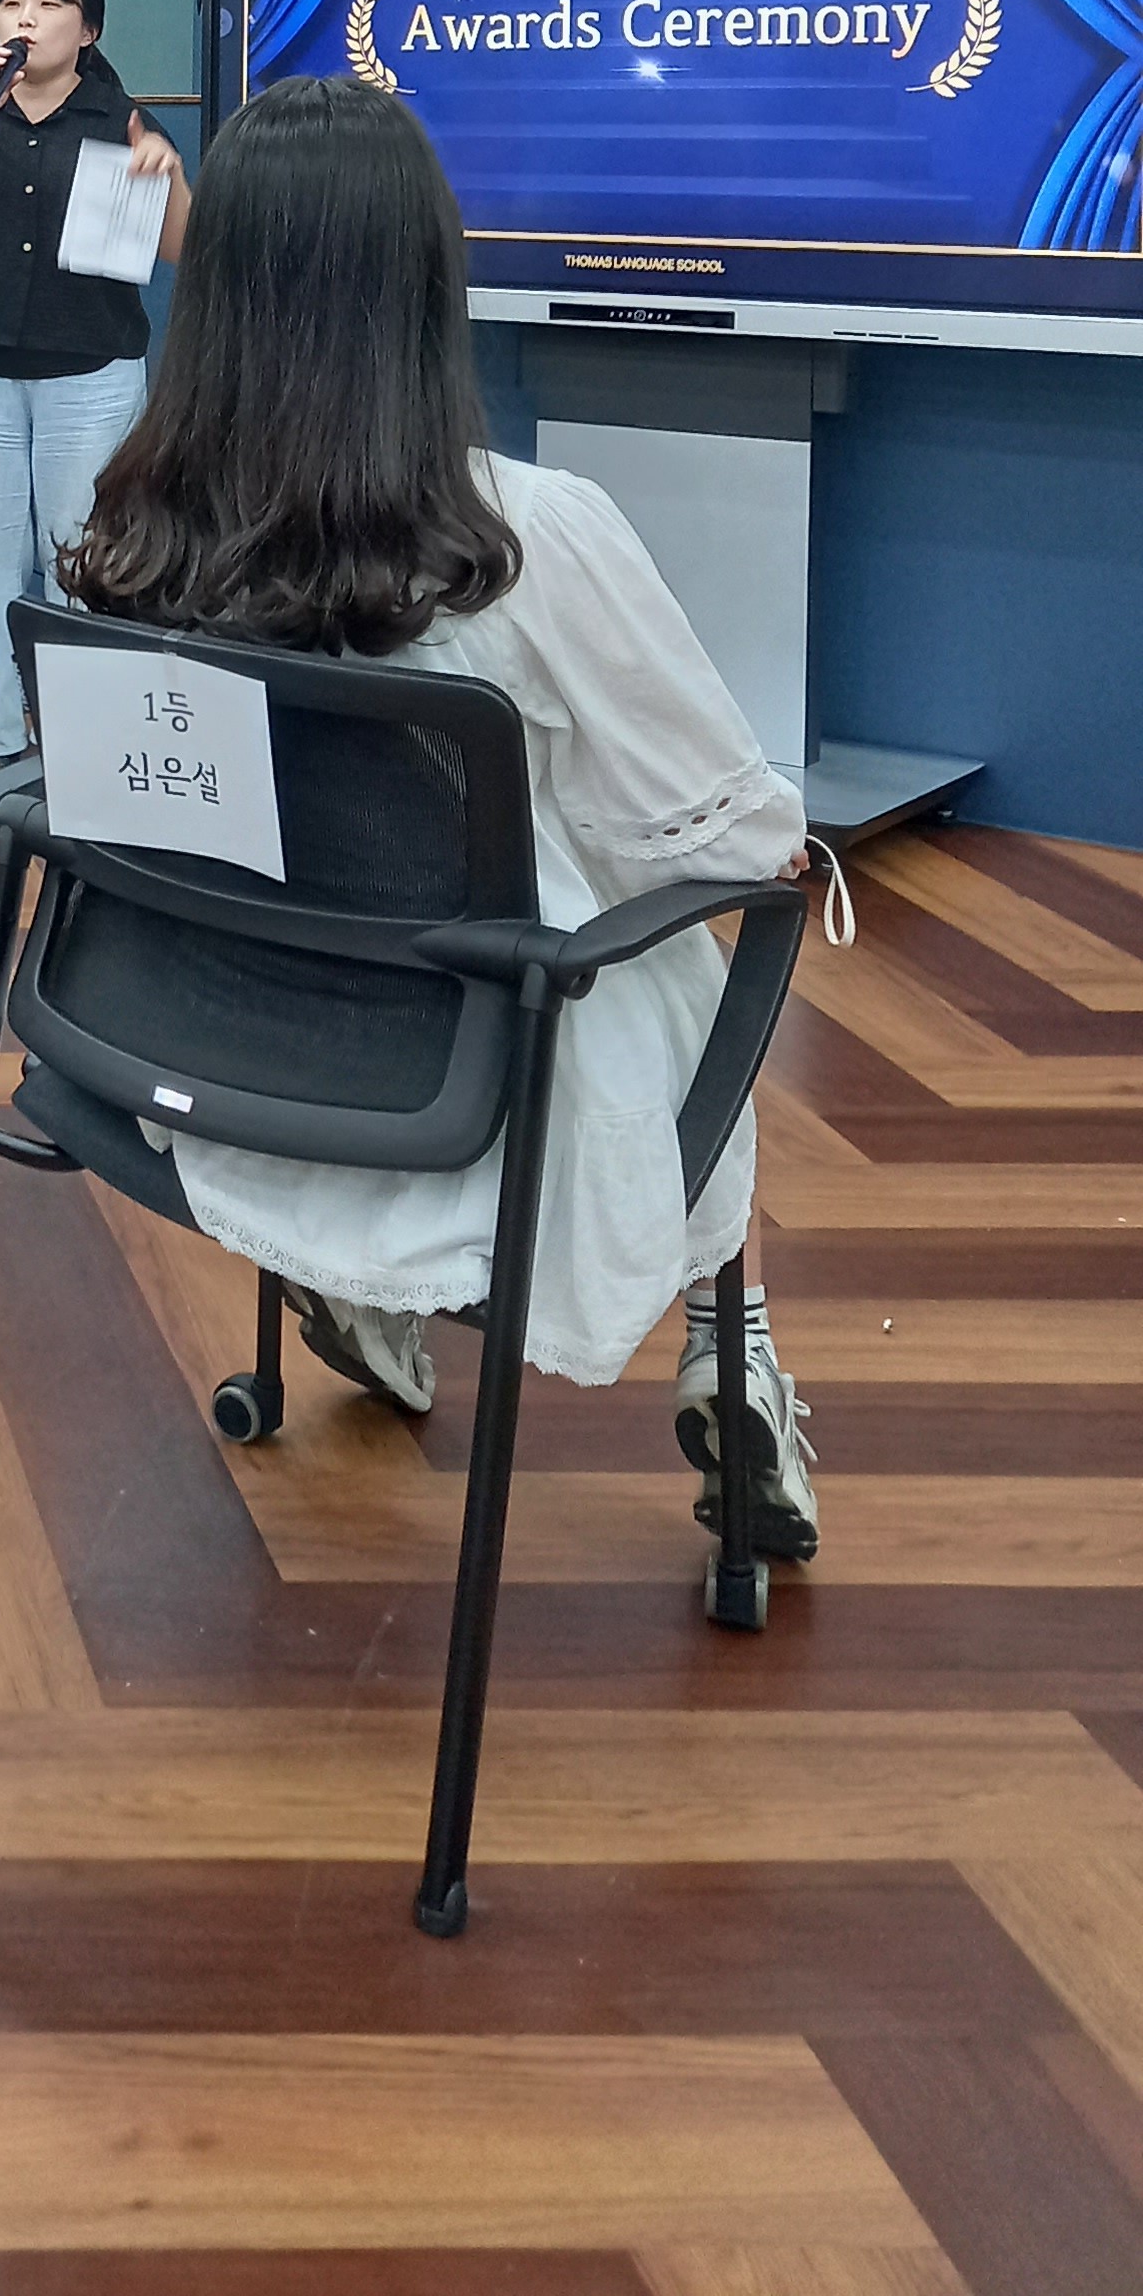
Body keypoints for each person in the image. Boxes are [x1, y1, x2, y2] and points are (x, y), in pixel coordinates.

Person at [59, 75, 819, 1556]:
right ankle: (738, 1352)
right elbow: (717, 831)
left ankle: (354, 1287)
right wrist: (779, 847)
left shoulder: (132, 527)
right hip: (475, 1087)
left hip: (197, 1046)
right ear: (426, 287)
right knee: (689, 933)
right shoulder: (525, 535)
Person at [0, 0, 191, 786]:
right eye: (12, 3)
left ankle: (84, 741)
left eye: (50, 5)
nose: (26, 19)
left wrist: (167, 179)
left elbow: (184, 251)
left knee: (85, 559)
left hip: (90, 374)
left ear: (88, 30)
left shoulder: (120, 118)